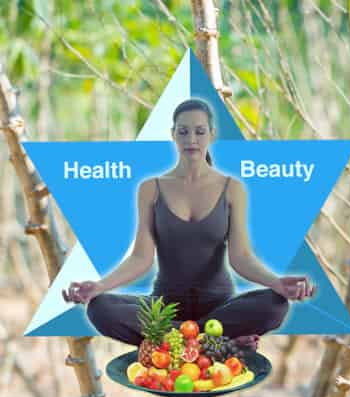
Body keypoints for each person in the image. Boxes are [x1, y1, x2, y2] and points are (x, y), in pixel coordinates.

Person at [60, 98, 314, 347]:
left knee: (275, 306)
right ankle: (213, 343)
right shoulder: (151, 187)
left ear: (211, 135)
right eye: (183, 131)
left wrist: (277, 283)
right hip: (165, 308)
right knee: (101, 308)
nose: (191, 139)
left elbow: (241, 257)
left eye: (199, 131)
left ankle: (176, 343)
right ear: (173, 134)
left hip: (219, 308)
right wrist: (98, 286)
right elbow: (141, 258)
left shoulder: (232, 187)